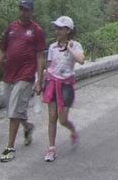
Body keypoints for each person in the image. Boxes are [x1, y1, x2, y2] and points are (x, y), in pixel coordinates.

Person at [0, 0, 46, 162]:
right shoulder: (11, 28)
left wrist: (39, 80)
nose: (23, 12)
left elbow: (40, 56)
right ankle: (27, 127)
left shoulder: (36, 31)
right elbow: (2, 51)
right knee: (12, 109)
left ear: (31, 11)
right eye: (21, 9)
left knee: (13, 112)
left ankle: (9, 147)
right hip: (8, 75)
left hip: (25, 75)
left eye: (26, 9)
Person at [42, 16, 84, 162]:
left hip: (66, 85)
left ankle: (72, 130)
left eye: (61, 28)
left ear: (68, 30)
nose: (57, 31)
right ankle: (51, 148)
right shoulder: (52, 47)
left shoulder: (75, 45)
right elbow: (49, 66)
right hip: (52, 83)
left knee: (62, 119)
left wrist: (70, 49)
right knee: (52, 117)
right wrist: (42, 82)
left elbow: (81, 60)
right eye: (56, 28)